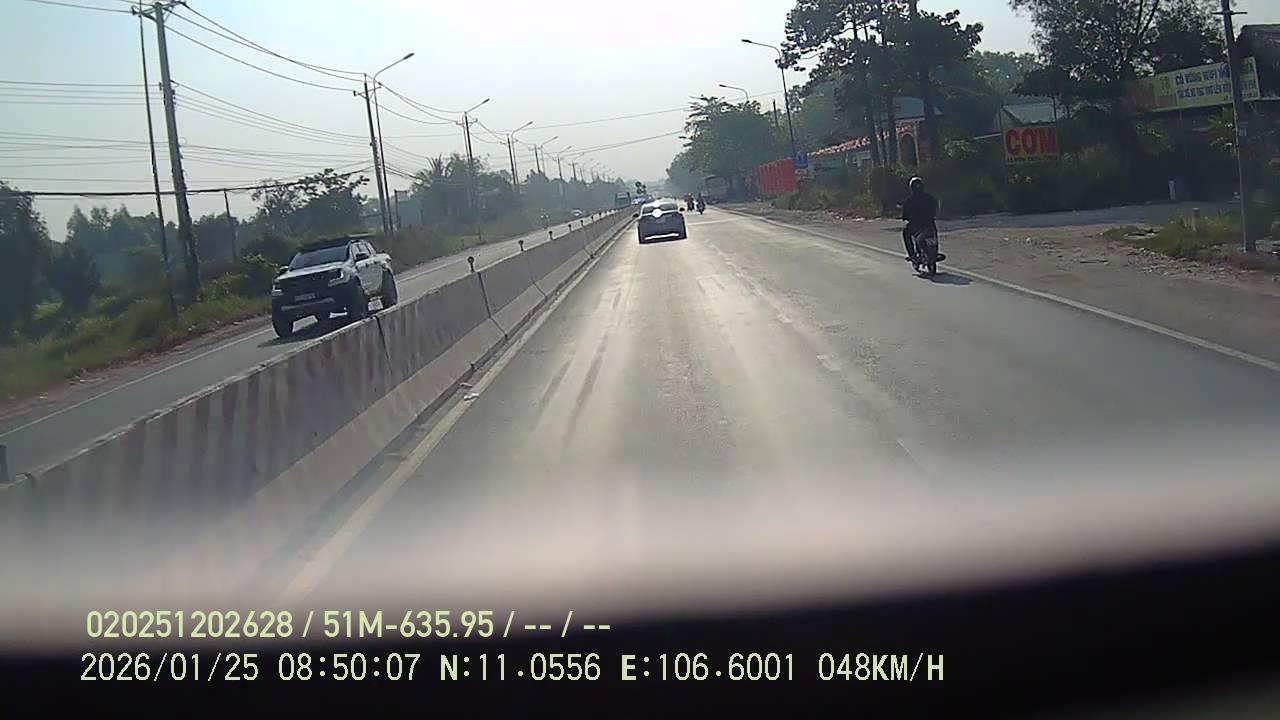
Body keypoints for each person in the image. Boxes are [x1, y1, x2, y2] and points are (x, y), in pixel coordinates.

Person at [900, 176, 938, 262]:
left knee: (906, 233)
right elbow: (935, 208)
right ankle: (935, 252)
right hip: (929, 223)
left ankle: (912, 255)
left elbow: (905, 215)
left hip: (915, 225)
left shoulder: (909, 201)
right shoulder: (929, 197)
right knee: (934, 232)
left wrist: (906, 217)